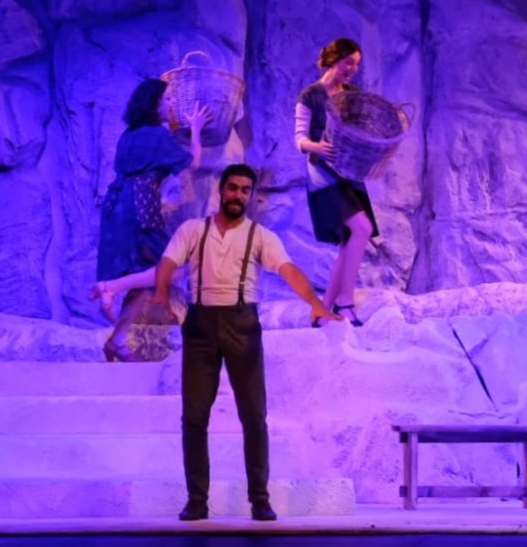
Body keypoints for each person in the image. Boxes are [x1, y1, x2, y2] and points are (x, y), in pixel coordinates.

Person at [151, 163, 340, 521]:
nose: (238, 195)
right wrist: (162, 292)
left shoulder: (260, 236)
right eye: (233, 188)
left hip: (242, 324)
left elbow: (288, 270)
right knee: (194, 417)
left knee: (254, 415)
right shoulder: (194, 230)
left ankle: (260, 499)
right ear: (221, 190)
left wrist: (315, 304)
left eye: (245, 190)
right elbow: (167, 262)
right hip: (201, 325)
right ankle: (196, 500)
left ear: (251, 196)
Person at [89, 78, 210, 361]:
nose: (172, 104)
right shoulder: (158, 135)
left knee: (145, 277)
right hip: (140, 204)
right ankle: (111, 288)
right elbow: (193, 163)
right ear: (154, 104)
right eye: (167, 99)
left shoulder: (128, 134)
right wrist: (196, 129)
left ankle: (117, 342)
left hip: (117, 204)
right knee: (176, 267)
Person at [294, 38, 378, 327]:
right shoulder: (310, 95)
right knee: (362, 228)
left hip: (349, 172)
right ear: (334, 59)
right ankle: (346, 301)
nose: (352, 69)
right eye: (348, 62)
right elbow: (299, 139)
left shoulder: (353, 94)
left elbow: (362, 129)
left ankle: (322, 311)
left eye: (356, 64)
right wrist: (317, 146)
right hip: (323, 174)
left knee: (348, 241)